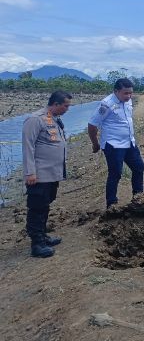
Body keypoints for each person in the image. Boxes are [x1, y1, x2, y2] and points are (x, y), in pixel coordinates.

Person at [22, 91, 72, 258]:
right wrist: (30, 173)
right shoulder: (35, 120)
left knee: (45, 205)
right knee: (37, 207)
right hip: (39, 174)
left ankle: (42, 235)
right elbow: (28, 147)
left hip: (52, 173)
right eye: (66, 105)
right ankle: (37, 244)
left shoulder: (54, 119)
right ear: (56, 104)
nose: (67, 109)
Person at [88, 78, 144, 208]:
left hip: (129, 143)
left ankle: (138, 198)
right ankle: (111, 204)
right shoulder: (106, 104)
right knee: (115, 174)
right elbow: (92, 125)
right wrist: (95, 144)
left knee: (139, 167)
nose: (129, 96)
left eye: (131, 93)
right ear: (116, 91)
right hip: (114, 145)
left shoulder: (128, 101)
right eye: (125, 93)